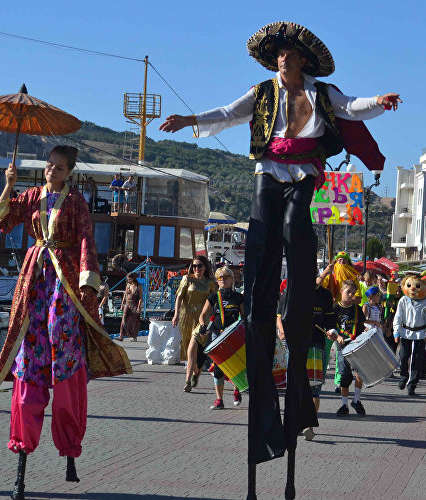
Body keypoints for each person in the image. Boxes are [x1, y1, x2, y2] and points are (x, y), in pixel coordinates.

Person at [160, 22, 400, 497]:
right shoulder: (263, 92)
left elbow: (353, 107)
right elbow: (228, 114)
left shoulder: (322, 92)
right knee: (263, 230)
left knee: (295, 226)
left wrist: (381, 102)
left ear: (304, 62)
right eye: (279, 58)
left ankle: (296, 293)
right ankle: (261, 295)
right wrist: (188, 123)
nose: (282, 63)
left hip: (305, 169)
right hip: (269, 167)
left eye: (289, 57)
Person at [0, 146, 131, 499]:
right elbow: (2, 222)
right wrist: (8, 184)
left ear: (68, 172)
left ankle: (69, 449)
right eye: (49, 165)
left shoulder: (76, 201)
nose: (51, 170)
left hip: (62, 274)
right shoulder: (31, 195)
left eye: (59, 167)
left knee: (60, 336)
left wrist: (87, 281)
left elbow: (85, 239)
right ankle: (21, 454)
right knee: (30, 343)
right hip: (36, 271)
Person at [278, 280, 335, 441]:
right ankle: (294, 423)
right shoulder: (290, 291)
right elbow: (279, 316)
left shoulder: (324, 294)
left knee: (314, 388)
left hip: (317, 346)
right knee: (294, 387)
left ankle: (308, 425)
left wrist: (332, 331)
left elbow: (330, 320)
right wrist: (282, 331)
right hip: (295, 347)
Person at [199, 265, 244, 409]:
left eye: (226, 277)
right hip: (217, 335)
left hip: (234, 335)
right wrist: (202, 326)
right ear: (217, 281)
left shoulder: (238, 297)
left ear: (232, 280)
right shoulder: (213, 297)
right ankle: (219, 400)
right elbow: (203, 315)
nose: (223, 280)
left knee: (235, 365)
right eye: (220, 278)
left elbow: (244, 317)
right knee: (218, 367)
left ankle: (237, 389)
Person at [175, 256, 217, 391]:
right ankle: (196, 371)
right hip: (186, 318)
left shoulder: (210, 283)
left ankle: (187, 381)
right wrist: (175, 315)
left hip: (202, 320)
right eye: (194, 266)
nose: (196, 268)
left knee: (193, 346)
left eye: (199, 265)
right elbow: (179, 297)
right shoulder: (186, 279)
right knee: (189, 350)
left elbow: (216, 300)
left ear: (205, 267)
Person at [328, 280, 366, 417]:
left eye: (353, 292)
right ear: (341, 292)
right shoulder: (335, 309)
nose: (350, 295)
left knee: (360, 373)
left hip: (357, 345)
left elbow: (360, 325)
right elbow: (330, 328)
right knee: (344, 377)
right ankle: (344, 405)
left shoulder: (357, 308)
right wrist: (336, 336)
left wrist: (365, 329)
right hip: (342, 347)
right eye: (348, 292)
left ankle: (356, 400)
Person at [393, 275, 426, 396]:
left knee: (416, 360)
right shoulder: (403, 300)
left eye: (417, 286)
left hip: (420, 333)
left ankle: (412, 384)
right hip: (406, 332)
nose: (413, 288)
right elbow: (398, 317)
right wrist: (396, 332)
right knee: (404, 356)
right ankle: (403, 377)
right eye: (409, 286)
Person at [119, 273, 142, 342]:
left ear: (133, 278)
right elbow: (125, 295)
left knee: (134, 320)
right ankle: (121, 335)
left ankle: (134, 336)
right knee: (124, 318)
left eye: (129, 279)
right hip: (127, 304)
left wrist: (139, 307)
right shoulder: (128, 285)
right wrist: (122, 304)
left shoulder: (139, 286)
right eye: (127, 279)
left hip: (135, 304)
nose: (128, 280)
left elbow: (141, 298)